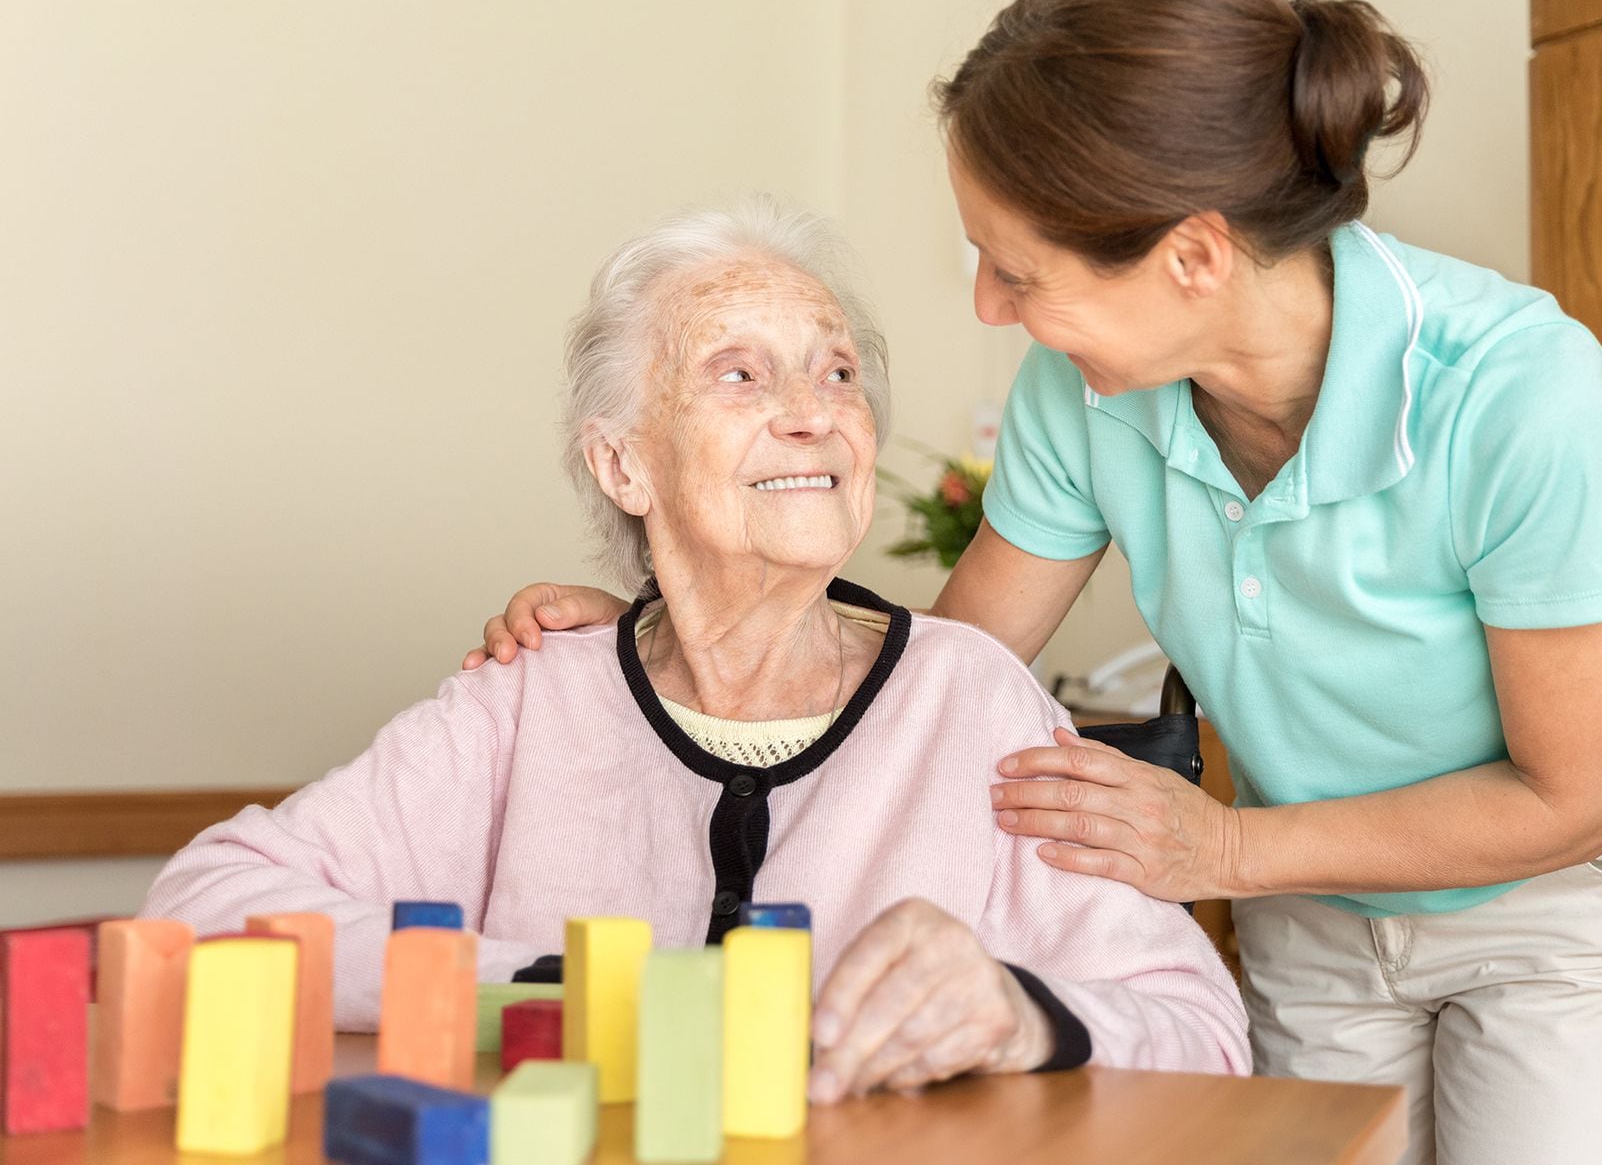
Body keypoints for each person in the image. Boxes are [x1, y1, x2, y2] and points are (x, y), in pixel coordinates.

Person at [470, 0, 1602, 1163]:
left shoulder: (1512, 391)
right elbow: (944, 674)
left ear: (1191, 256)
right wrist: (677, 636)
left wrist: (1226, 850)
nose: (987, 308)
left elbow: (1574, 794)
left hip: (1566, 900)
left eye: (1019, 272)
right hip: (1316, 903)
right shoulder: (1086, 394)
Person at [142, 197, 1251, 1103]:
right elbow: (204, 902)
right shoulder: (532, 698)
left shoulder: (971, 699)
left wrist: (1025, 1011)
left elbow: (1203, 1028)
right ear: (626, 466)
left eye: (837, 373)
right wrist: (568, 988)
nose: (812, 413)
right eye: (740, 373)